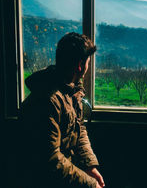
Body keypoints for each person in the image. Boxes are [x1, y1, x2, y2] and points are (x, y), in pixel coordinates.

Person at [18, 32, 105, 188]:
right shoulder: (47, 101)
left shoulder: (71, 90)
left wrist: (89, 165)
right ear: (80, 65)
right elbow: (50, 160)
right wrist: (91, 184)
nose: (88, 67)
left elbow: (79, 128)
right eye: (88, 63)